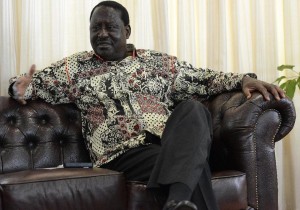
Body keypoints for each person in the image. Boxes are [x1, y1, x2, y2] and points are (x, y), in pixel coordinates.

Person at [9, 1, 285, 210]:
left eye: (110, 27)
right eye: (96, 28)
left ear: (127, 31)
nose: (102, 34)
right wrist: (19, 86)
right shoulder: (74, 68)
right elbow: (30, 84)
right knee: (192, 161)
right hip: (122, 154)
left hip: (169, 142)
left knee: (194, 109)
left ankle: (177, 203)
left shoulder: (159, 63)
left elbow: (204, 79)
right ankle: (180, 200)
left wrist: (244, 79)